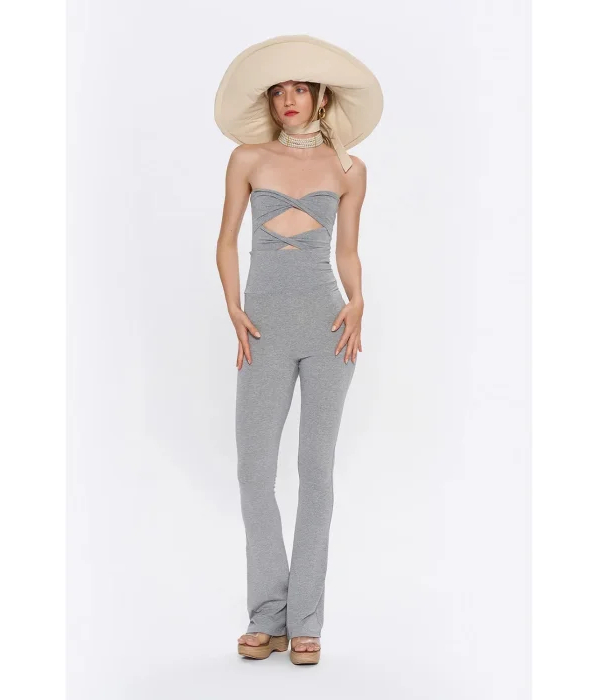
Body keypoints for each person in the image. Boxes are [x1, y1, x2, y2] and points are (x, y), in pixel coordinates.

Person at [214, 35, 383, 665]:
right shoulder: (247, 158)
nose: (289, 99)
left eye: (301, 89)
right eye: (279, 90)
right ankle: (268, 614)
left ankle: (306, 619)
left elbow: (347, 251)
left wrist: (358, 300)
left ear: (321, 98)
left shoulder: (349, 170)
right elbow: (226, 239)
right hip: (262, 329)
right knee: (254, 472)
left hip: (328, 326)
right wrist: (234, 307)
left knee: (316, 472)